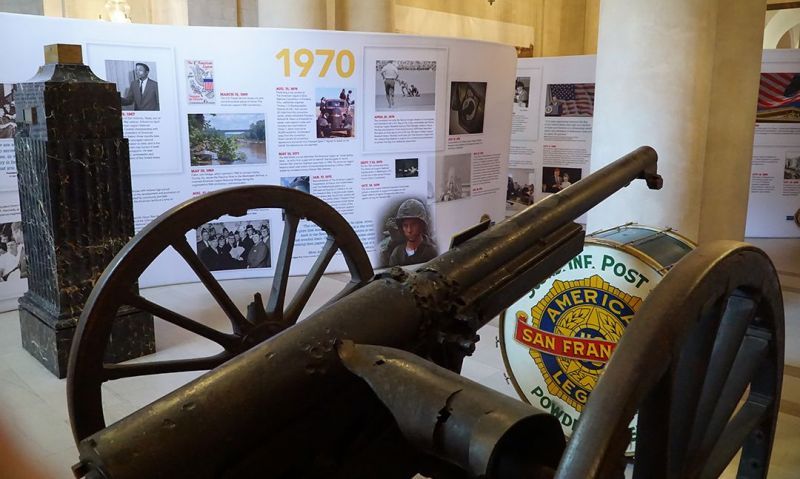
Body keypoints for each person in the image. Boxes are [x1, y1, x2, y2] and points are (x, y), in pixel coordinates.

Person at [388, 199, 438, 267]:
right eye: (405, 225)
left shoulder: (432, 251)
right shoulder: (397, 254)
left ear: (421, 225)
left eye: (413, 224)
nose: (409, 230)